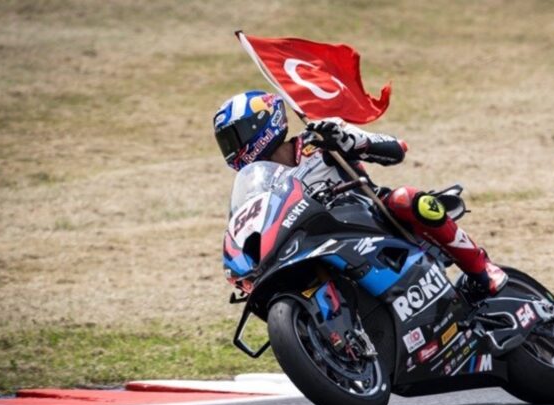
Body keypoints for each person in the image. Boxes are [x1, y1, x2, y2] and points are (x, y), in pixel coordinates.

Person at [213, 90, 507, 297]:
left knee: (407, 199)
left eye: (234, 137)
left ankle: (482, 269)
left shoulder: (319, 138)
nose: (232, 148)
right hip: (315, 240)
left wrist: (346, 140)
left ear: (262, 124)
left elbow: (397, 150)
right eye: (226, 142)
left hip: (369, 216)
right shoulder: (259, 183)